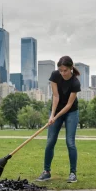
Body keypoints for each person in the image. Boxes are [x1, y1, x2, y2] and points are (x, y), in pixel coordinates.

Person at [36, 55, 81, 183]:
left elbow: (68, 105)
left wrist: (56, 116)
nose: (62, 73)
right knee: (50, 141)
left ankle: (73, 173)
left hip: (71, 112)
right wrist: (52, 116)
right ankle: (46, 172)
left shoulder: (75, 82)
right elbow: (55, 97)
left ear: (71, 68)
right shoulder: (55, 75)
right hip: (55, 109)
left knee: (70, 142)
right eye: (60, 70)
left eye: (65, 70)